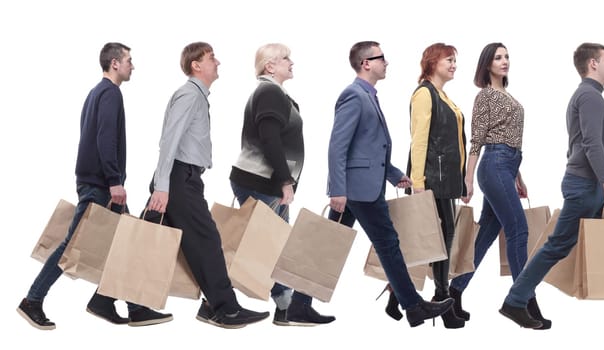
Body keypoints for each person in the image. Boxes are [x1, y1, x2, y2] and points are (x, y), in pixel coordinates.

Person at [17, 43, 173, 330]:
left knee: (125, 242)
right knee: (71, 246)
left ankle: (123, 304)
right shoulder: (110, 93)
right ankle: (32, 300)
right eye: (128, 60)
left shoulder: (95, 93)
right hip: (100, 185)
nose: (132, 66)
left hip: (96, 182)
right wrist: (115, 181)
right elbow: (104, 139)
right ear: (115, 63)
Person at [327, 41, 454, 328]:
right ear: (366, 63)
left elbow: (370, 148)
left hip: (362, 186)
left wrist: (395, 174)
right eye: (381, 57)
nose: (387, 62)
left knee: (327, 242)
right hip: (357, 190)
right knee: (388, 244)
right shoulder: (353, 95)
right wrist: (337, 189)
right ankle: (413, 305)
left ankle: (298, 303)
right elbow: (338, 146)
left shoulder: (369, 95)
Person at [145, 42, 269, 329]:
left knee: (148, 237)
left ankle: (110, 299)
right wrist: (162, 186)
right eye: (211, 58)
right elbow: (169, 142)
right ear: (196, 65)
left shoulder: (195, 95)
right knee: (208, 239)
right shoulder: (190, 95)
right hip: (177, 178)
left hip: (182, 177)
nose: (218, 62)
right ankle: (226, 309)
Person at [500, 42, 604, 329]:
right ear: (593, 64)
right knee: (558, 245)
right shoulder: (590, 97)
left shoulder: (588, 96)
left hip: (589, 184)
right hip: (587, 186)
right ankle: (514, 301)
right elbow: (592, 144)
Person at [229, 43, 335, 326]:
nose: (291, 62)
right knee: (270, 246)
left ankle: (286, 308)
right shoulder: (269, 92)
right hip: (262, 183)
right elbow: (269, 138)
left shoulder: (275, 93)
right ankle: (219, 301)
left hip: (264, 183)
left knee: (275, 246)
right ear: (269, 66)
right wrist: (285, 182)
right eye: (285, 58)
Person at [447, 42, 537, 326]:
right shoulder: (485, 95)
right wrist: (468, 178)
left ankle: (454, 292)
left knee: (485, 235)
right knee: (518, 230)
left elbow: (512, 141)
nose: (504, 61)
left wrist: (518, 177)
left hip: (507, 168)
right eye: (498, 57)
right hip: (493, 165)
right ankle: (521, 302)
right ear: (487, 64)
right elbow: (478, 140)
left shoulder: (507, 95)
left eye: (507, 56)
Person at [402, 42, 467, 328]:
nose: (453, 64)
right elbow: (419, 140)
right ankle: (442, 300)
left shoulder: (442, 95)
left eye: (455, 60)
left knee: (442, 240)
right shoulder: (424, 94)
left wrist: (463, 178)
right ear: (432, 62)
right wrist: (418, 182)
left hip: (445, 179)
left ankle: (414, 297)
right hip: (431, 179)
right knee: (440, 240)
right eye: (448, 60)